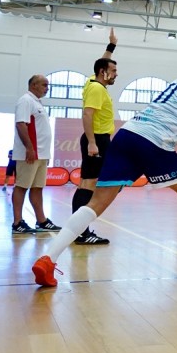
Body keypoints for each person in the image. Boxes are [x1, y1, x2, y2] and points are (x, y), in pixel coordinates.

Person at [31, 52, 177, 287]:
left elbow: (169, 123)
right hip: (152, 143)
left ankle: (48, 259)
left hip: (127, 136)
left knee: (95, 204)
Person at [71, 29, 119, 245]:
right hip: (97, 140)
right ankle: (81, 233)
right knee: (88, 185)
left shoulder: (94, 80)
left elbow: (102, 62)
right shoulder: (97, 89)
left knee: (88, 184)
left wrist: (111, 46)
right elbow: (87, 114)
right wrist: (92, 143)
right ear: (103, 72)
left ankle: (79, 230)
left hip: (99, 140)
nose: (116, 74)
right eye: (114, 70)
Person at [11, 74, 62, 235]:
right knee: (21, 187)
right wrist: (29, 148)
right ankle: (17, 223)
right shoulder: (25, 100)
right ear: (33, 85)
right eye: (44, 85)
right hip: (30, 154)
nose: (47, 88)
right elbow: (21, 124)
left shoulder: (37, 103)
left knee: (37, 188)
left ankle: (42, 221)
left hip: (41, 155)